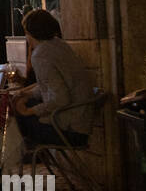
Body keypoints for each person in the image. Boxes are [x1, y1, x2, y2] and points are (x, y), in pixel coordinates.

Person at [12, 9, 93, 149]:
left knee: (12, 117)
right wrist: (27, 94)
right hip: (82, 123)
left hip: (69, 130)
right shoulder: (59, 45)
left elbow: (61, 98)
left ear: (31, 33)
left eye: (26, 32)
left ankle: (14, 158)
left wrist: (28, 111)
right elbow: (52, 84)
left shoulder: (40, 55)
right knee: (22, 105)